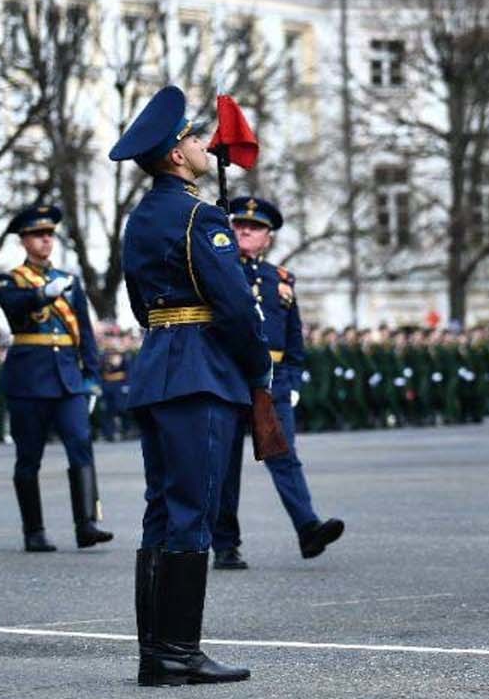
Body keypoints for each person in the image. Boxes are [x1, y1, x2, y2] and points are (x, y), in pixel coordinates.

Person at [112, 85, 266, 685]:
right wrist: (258, 370)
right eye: (194, 140)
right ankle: (178, 652)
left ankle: (159, 652)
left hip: (159, 367)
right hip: (201, 372)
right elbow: (232, 306)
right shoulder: (202, 216)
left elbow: (137, 304)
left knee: (162, 512)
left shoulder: (142, 218)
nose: (204, 146)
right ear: (177, 156)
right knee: (191, 513)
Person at [210, 196, 345, 570]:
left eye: (253, 228)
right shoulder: (219, 271)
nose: (244, 231)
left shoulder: (279, 279)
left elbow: (294, 337)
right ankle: (225, 544)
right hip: (230, 377)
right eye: (238, 225)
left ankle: (308, 529)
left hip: (272, 383)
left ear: (267, 237)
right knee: (224, 466)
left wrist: (294, 377)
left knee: (283, 457)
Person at [0, 204, 112, 552]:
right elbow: (13, 305)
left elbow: (85, 333)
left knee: (81, 444)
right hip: (29, 379)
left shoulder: (69, 282)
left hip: (68, 379)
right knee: (29, 456)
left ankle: (87, 523)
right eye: (38, 235)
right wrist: (41, 294)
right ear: (24, 240)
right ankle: (34, 530)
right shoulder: (10, 279)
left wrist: (91, 376)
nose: (45, 241)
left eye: (49, 235)